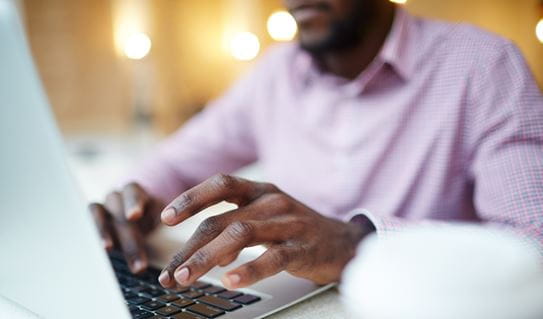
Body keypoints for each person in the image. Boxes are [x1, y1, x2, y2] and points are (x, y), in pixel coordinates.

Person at [89, 0, 543, 291]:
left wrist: (356, 241)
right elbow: (173, 163)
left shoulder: (484, 66)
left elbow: (533, 244)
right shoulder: (274, 75)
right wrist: (136, 201)